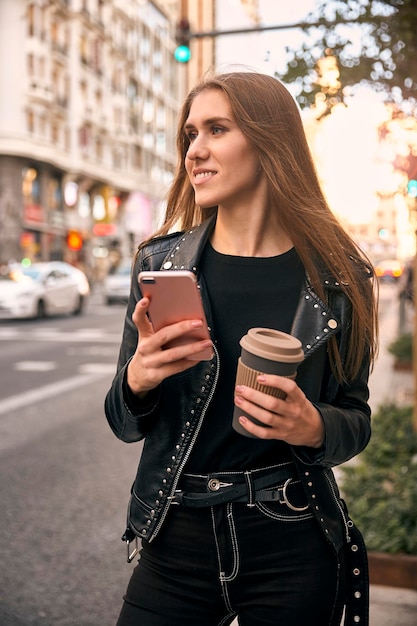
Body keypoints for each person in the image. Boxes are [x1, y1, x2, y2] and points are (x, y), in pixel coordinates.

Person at [105, 70, 378, 626]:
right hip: (175, 537)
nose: (194, 152)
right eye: (190, 135)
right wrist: (137, 381)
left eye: (216, 130)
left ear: (269, 141)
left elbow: (356, 418)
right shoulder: (160, 264)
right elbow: (123, 422)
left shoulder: (340, 279)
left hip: (293, 536)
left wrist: (314, 428)